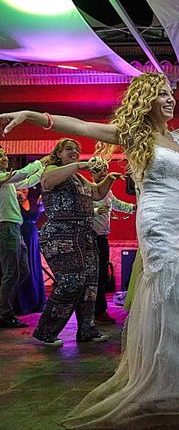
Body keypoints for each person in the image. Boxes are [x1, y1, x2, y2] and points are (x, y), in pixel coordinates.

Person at [0, 65, 179, 429]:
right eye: (163, 94)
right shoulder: (132, 136)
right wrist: (33, 115)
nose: (170, 100)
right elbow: (79, 126)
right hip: (155, 223)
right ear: (146, 100)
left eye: (172, 94)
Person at [31, 139, 119, 346]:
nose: (75, 151)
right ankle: (45, 331)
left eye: (77, 150)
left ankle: (87, 329)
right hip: (61, 236)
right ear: (58, 153)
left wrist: (109, 179)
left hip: (84, 236)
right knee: (71, 282)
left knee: (90, 284)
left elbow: (97, 193)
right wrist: (79, 165)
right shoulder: (53, 169)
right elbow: (46, 182)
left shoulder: (78, 178)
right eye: (69, 149)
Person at [0, 147, 44, 328]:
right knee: (11, 273)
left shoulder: (7, 180)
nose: (4, 158)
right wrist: (40, 162)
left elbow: (27, 180)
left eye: (4, 154)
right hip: (5, 227)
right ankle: (4, 313)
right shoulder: (4, 178)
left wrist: (42, 169)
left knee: (22, 270)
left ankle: (4, 304)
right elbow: (22, 174)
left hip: (15, 228)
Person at [89, 158, 135, 323]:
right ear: (91, 173)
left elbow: (116, 204)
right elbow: (81, 207)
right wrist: (95, 210)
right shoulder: (88, 189)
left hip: (102, 238)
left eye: (104, 171)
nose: (103, 174)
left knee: (101, 276)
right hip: (91, 238)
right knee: (95, 277)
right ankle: (96, 313)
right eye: (99, 171)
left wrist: (134, 208)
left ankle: (98, 312)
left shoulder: (107, 191)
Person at [13, 185, 46, 315]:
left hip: (33, 236)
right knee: (22, 267)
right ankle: (22, 304)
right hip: (19, 233)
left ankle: (36, 301)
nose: (24, 190)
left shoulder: (33, 201)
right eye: (21, 187)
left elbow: (40, 213)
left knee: (34, 266)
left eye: (26, 187)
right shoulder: (13, 201)